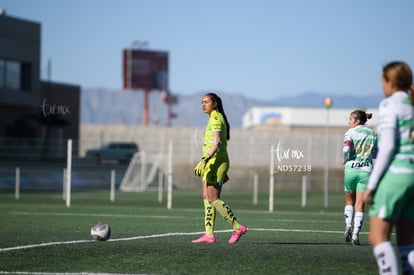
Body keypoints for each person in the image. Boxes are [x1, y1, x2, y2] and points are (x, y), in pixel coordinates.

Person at [363, 61, 414, 275]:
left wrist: (372, 185)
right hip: (412, 175)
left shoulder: (389, 104)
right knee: (408, 243)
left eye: (383, 80)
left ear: (390, 81)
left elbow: (387, 147)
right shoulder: (411, 104)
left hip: (396, 174)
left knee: (377, 237)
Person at [192, 92, 247, 244]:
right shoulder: (212, 118)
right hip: (212, 163)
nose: (203, 104)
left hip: (215, 162)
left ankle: (237, 227)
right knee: (206, 197)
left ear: (214, 103)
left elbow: (216, 143)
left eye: (206, 102)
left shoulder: (216, 117)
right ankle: (209, 235)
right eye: (202, 102)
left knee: (213, 199)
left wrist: (204, 160)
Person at [342, 110, 377, 245]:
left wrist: (345, 160)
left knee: (349, 201)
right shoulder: (373, 134)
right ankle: (356, 234)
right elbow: (376, 154)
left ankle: (348, 226)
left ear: (357, 121)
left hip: (351, 169)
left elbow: (346, 150)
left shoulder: (350, 132)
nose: (349, 122)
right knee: (360, 204)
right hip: (366, 170)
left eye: (350, 119)